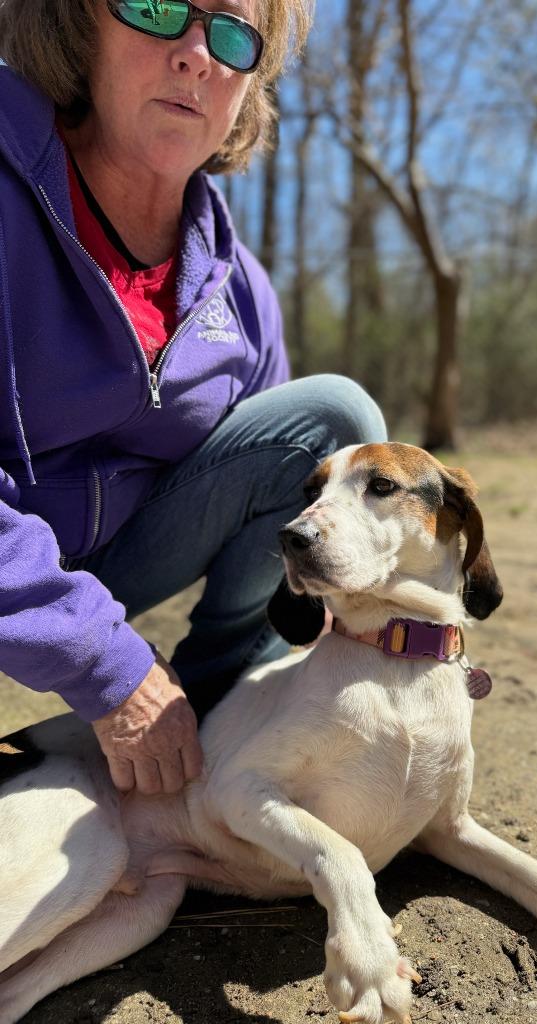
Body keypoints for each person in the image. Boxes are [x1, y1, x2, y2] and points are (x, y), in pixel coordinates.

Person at [0, 0, 386, 797]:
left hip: (123, 557)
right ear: (77, 24)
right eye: (155, 6)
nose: (197, 56)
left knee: (333, 423)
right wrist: (109, 664)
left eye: (234, 34)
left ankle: (225, 708)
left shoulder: (237, 287)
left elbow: (291, 514)